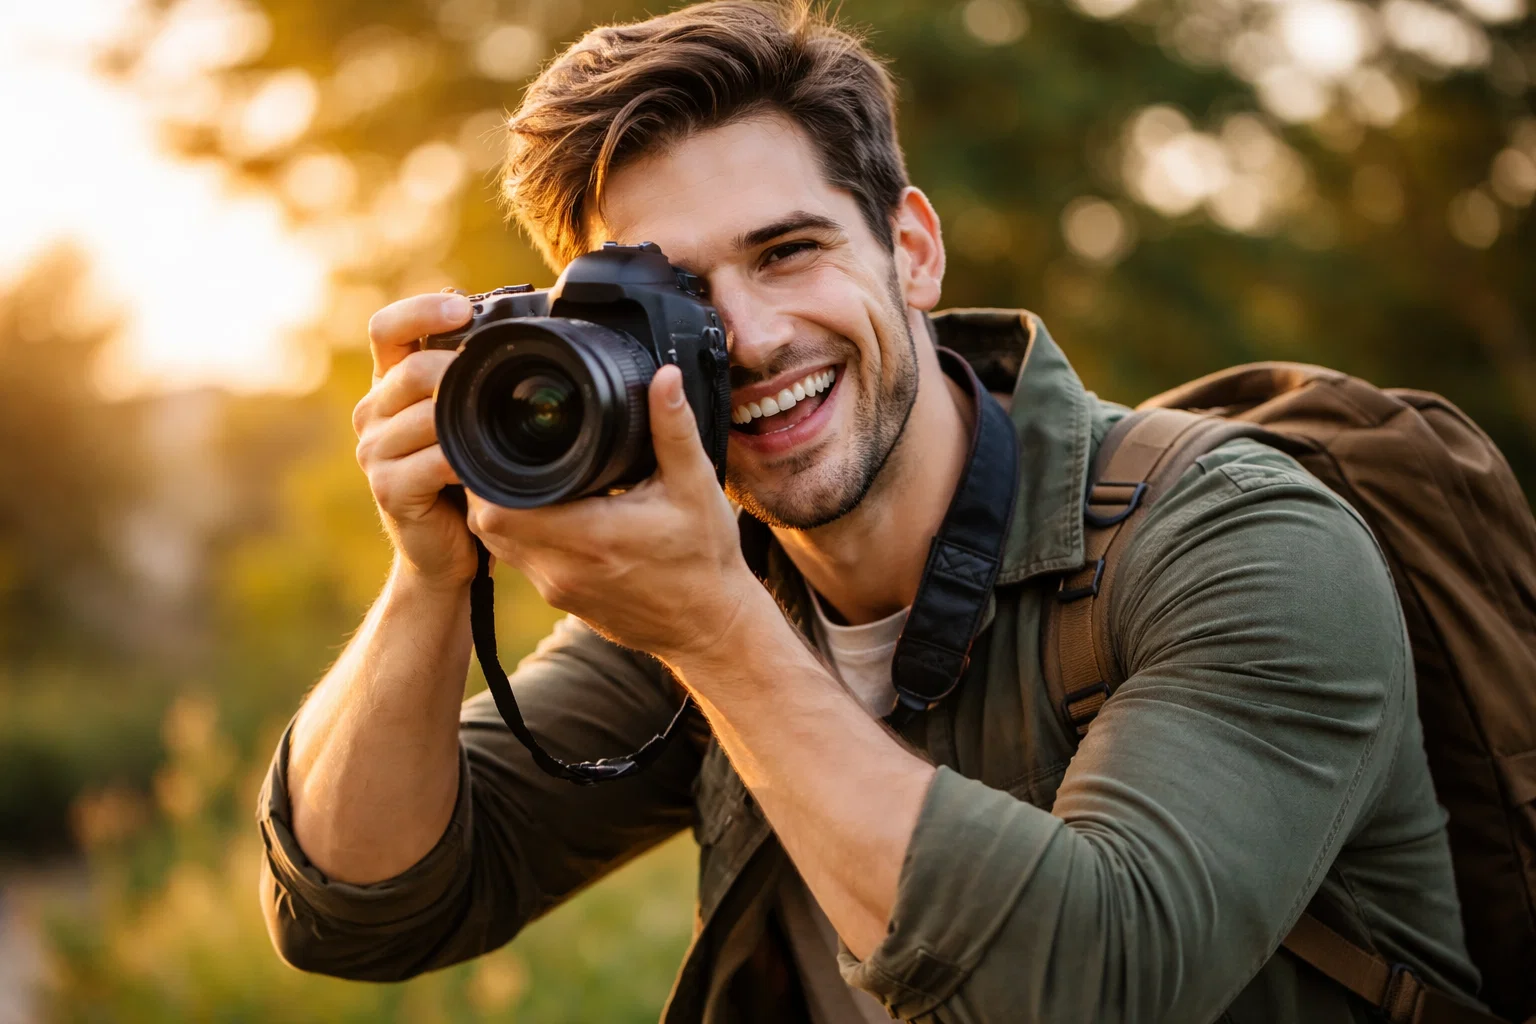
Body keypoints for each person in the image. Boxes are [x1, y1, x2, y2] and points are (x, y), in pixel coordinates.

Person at [257, 2, 1480, 1021]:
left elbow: (1102, 982)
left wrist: (718, 635)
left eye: (787, 251)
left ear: (914, 248)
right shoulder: (722, 578)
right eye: (671, 297)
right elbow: (358, 907)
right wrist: (428, 576)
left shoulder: (1241, 540)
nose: (749, 333)